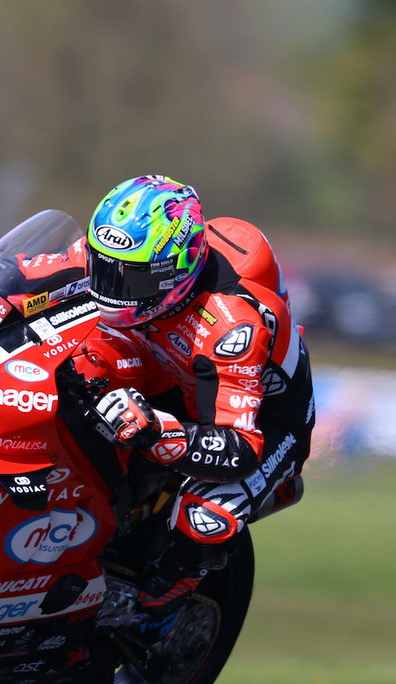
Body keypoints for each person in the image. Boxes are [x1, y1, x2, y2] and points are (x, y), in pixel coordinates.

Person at [72, 175, 316, 609]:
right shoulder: (116, 259)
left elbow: (242, 448)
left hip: (265, 426)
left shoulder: (230, 327)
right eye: (102, 267)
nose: (109, 289)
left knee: (205, 516)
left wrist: (155, 432)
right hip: (171, 373)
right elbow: (32, 272)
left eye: (130, 279)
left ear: (177, 269)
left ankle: (158, 606)